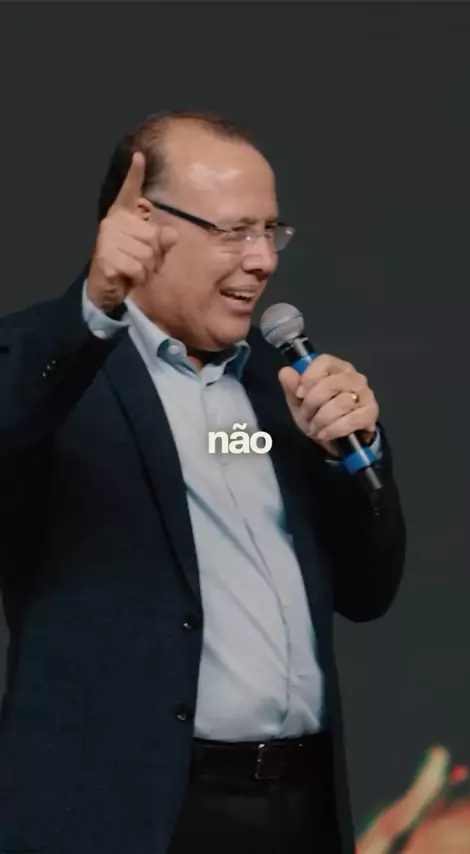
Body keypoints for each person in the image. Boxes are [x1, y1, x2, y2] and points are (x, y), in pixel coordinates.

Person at [0, 109, 406, 854]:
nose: (263, 260)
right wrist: (94, 310)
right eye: (234, 232)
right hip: (134, 818)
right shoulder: (47, 363)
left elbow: (368, 591)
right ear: (144, 224)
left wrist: (352, 453)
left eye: (271, 232)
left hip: (299, 808)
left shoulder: (280, 389)